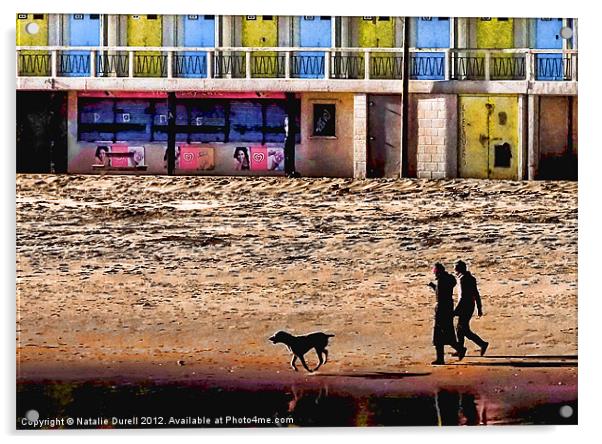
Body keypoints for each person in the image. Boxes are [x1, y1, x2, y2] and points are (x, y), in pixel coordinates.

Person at [429, 263, 467, 365]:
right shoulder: (448, 279)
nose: (433, 272)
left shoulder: (442, 280)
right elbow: (444, 292)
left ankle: (441, 358)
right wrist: (434, 287)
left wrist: (437, 309)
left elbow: (441, 296)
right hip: (448, 308)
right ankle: (459, 349)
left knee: (438, 336)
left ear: (437, 271)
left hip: (442, 310)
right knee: (448, 334)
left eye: (434, 270)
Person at [453, 260, 489, 356]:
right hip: (470, 306)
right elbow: (476, 294)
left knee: (463, 329)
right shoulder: (470, 278)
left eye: (456, 267)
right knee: (461, 328)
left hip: (465, 306)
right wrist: (479, 307)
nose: (454, 269)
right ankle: (461, 348)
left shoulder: (463, 279)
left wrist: (456, 310)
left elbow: (462, 297)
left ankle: (481, 344)